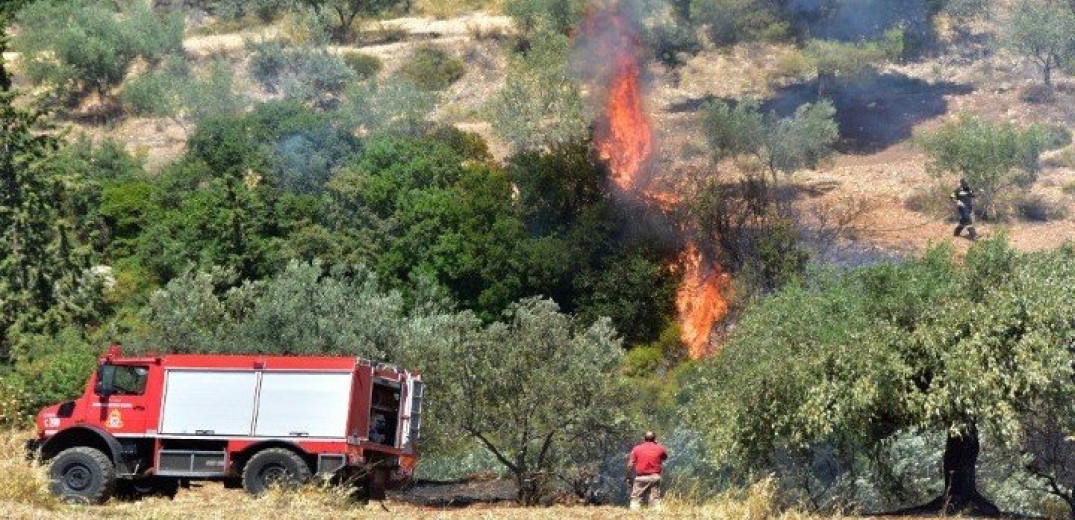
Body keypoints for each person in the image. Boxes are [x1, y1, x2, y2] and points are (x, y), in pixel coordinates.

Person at [627, 431, 667, 511]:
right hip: (655, 478)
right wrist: (657, 445)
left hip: (641, 478)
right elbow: (664, 457)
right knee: (655, 500)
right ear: (655, 439)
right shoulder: (660, 448)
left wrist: (628, 477)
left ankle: (634, 516)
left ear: (644, 439)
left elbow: (630, 464)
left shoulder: (637, 448)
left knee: (635, 499)